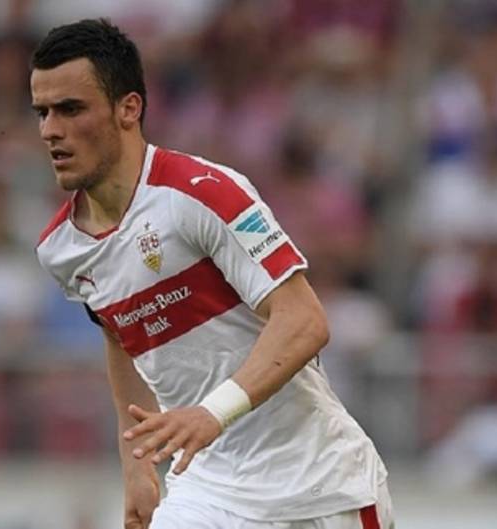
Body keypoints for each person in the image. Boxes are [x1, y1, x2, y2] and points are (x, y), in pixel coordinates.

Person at [31, 19, 393, 529]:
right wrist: (137, 465)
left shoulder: (203, 192)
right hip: (208, 490)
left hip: (319, 485)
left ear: (128, 108)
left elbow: (304, 320)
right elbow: (120, 336)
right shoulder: (61, 248)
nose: (50, 130)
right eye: (42, 112)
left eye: (71, 109)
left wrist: (210, 414)